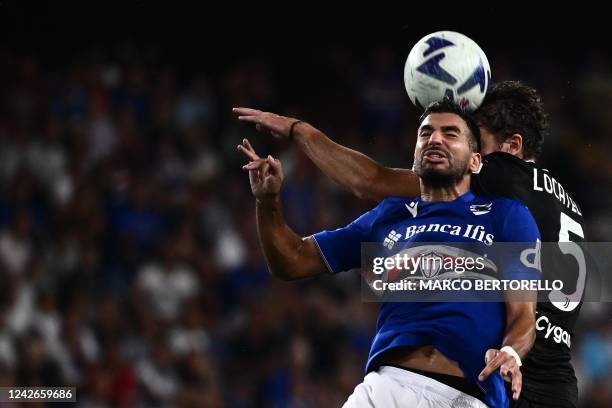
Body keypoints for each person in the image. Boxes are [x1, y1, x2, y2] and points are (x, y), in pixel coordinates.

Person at [234, 81, 586, 408]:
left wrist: (300, 130)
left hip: (499, 383)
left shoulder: (506, 200)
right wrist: (268, 203)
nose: (437, 140)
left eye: (456, 133)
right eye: (426, 132)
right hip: (394, 384)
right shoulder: (563, 204)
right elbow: (292, 260)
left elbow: (369, 180)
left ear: (490, 154)